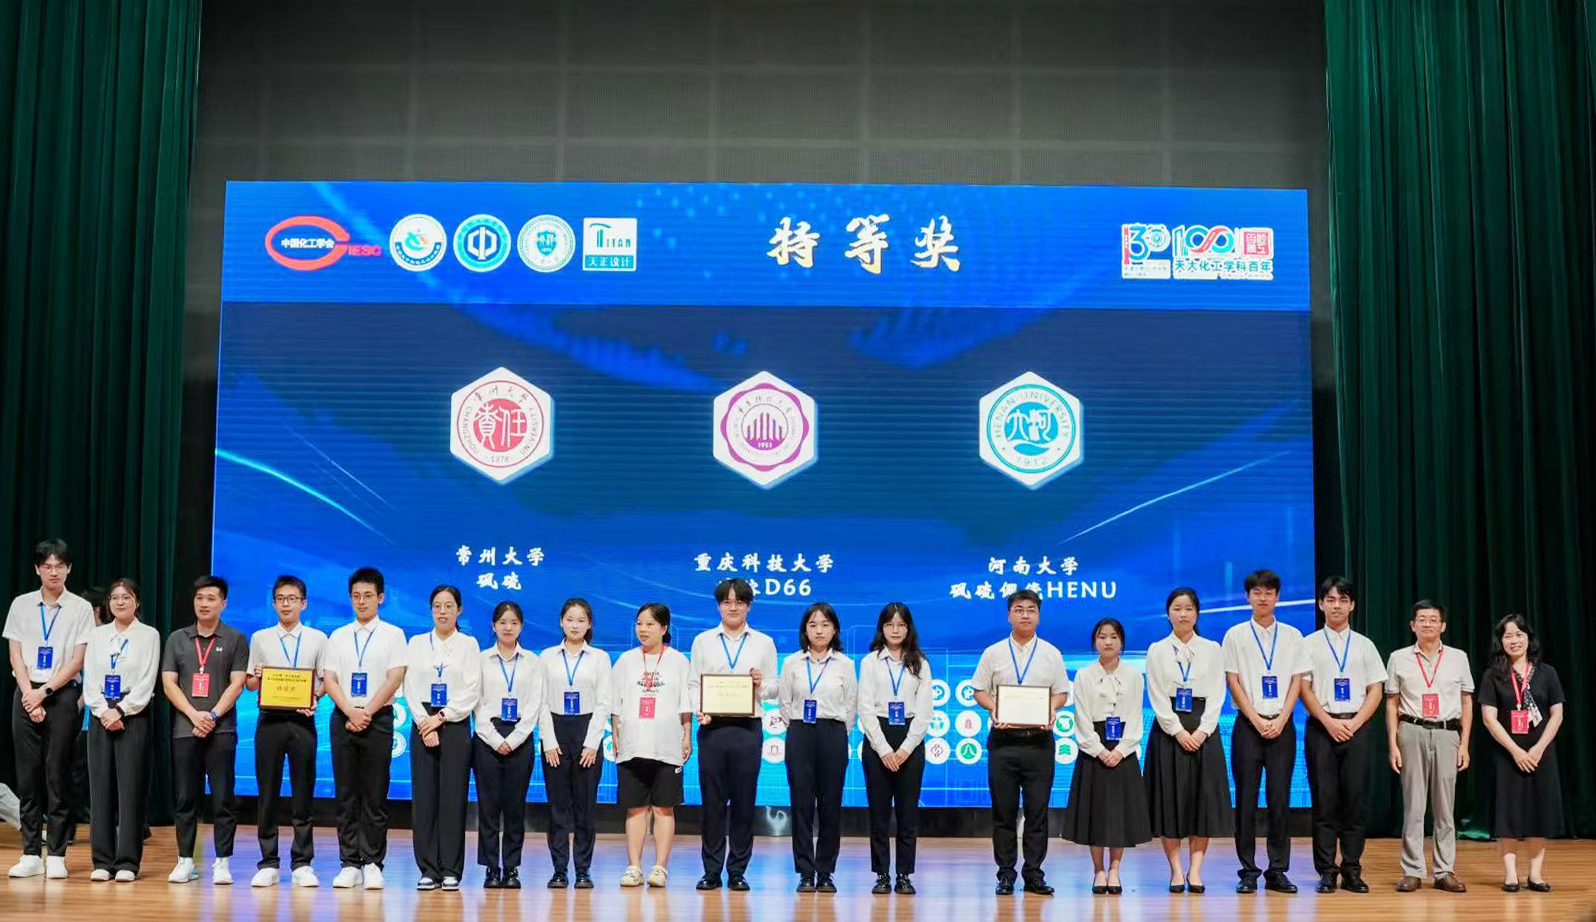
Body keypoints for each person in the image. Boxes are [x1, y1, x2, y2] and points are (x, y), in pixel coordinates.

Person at [6, 539, 95, 879]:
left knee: (57, 774)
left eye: (59, 565)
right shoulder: (21, 604)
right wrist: (29, 694)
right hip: (26, 692)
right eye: (47, 566)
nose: (53, 571)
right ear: (37, 569)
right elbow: (16, 654)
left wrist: (44, 692)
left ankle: (56, 853)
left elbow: (78, 659)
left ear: (68, 569)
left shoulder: (80, 608)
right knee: (27, 776)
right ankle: (30, 852)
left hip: (61, 694)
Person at [972, 589, 1070, 896]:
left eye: (1031, 609)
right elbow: (979, 690)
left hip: (1039, 743)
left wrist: (1051, 709)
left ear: (1038, 615)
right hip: (1004, 742)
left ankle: (1034, 874)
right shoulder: (993, 653)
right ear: (1009, 615)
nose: (1025, 614)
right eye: (1019, 609)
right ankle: (1005, 874)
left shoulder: (1052, 653)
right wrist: (994, 708)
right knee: (1003, 812)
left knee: (1037, 812)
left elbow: (1062, 692)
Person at [687, 577, 779, 891]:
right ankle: (711, 871)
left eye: (739, 601)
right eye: (726, 602)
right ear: (718, 606)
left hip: (747, 729)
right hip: (712, 728)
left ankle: (738, 870)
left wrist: (760, 683)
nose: (733, 607)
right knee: (712, 803)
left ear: (748, 605)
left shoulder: (764, 642)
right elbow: (693, 684)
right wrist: (700, 709)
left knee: (743, 801)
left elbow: (774, 688)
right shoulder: (703, 641)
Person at [321, 566, 408, 890]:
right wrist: (350, 711)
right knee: (346, 793)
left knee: (374, 793)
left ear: (380, 598)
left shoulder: (393, 635)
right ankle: (349, 863)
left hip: (378, 718)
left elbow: (395, 677)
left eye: (368, 595)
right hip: (343, 717)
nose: (361, 601)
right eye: (356, 596)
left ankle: (372, 862)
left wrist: (366, 712)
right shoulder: (338, 635)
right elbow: (330, 678)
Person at [1221, 569, 1308, 894]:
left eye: (1269, 592)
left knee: (1279, 800)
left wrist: (1283, 718)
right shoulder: (1235, 635)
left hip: (1282, 725)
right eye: (1257, 592)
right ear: (1248, 597)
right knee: (1245, 800)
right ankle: (1248, 871)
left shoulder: (1293, 636)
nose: (1263, 598)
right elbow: (1233, 681)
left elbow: (1297, 680)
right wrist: (1255, 718)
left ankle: (1277, 870)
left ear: (1277, 597)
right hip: (1248, 726)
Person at [1298, 576, 1386, 894]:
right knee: (1324, 802)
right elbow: (1303, 689)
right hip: (1321, 728)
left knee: (1355, 802)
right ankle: (1326, 871)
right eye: (1331, 600)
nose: (1337, 605)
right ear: (1321, 604)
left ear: (1352, 605)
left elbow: (1376, 689)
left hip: (1357, 728)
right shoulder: (1307, 644)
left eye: (1343, 600)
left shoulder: (1365, 645)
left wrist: (1355, 722)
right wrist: (1328, 721)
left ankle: (1352, 869)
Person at [161, 575, 250, 885]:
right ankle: (185, 860)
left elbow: (237, 683)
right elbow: (169, 683)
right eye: (199, 598)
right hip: (185, 729)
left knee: (223, 797)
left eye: (211, 598)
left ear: (223, 603)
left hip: (221, 729)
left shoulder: (236, 638)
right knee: (186, 797)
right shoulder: (177, 639)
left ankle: (222, 861)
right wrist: (193, 715)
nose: (204, 604)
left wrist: (211, 715)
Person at [1144, 587, 1231, 894]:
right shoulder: (1157, 649)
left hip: (1203, 730)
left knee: (1201, 804)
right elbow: (1156, 694)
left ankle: (1195, 870)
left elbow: (1218, 692)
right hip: (1169, 732)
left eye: (1189, 609)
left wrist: (1203, 730)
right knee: (1169, 802)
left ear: (1197, 613)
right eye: (1177, 608)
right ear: (1168, 614)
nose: (1183, 614)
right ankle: (1176, 871)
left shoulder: (1212, 648)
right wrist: (1177, 730)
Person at [245, 575, 328, 889]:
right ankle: (268, 862)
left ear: (303, 603)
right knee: (267, 793)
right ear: (273, 603)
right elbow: (251, 683)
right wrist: (257, 676)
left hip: (302, 721)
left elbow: (324, 680)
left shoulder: (318, 638)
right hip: (269, 721)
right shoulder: (261, 638)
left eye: (292, 599)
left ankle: (302, 863)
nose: (286, 604)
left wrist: (315, 698)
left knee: (302, 792)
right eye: (280, 599)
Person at [1385, 599, 1473, 893]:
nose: (1427, 624)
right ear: (1413, 625)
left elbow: (1466, 702)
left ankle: (1444, 871)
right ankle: (1412, 871)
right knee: (1413, 805)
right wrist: (1393, 744)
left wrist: (1464, 744)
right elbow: (1392, 703)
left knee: (1445, 807)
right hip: (1412, 730)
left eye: (1433, 619)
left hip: (1448, 733)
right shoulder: (1398, 657)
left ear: (1443, 626)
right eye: (1421, 619)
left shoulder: (1459, 658)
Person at [1061, 618, 1151, 894]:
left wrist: (1121, 750)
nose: (1108, 642)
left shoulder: (1134, 676)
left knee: (1119, 816)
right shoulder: (1084, 675)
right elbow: (1081, 719)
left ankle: (1115, 870)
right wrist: (1099, 750)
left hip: (1123, 750)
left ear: (1122, 642)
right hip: (1094, 751)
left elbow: (1135, 718)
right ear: (1094, 642)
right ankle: (1099, 870)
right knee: (1096, 814)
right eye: (1102, 637)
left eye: (1113, 637)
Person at [1477, 613, 1563, 893]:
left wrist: (1537, 749)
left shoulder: (1547, 673)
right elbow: (1489, 718)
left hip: (1541, 753)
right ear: (1500, 641)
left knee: (1539, 811)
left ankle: (1535, 875)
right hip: (1507, 754)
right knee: (1508, 813)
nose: (1514, 640)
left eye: (1519, 634)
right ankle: (1511, 875)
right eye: (1508, 635)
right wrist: (1516, 751)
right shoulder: (1493, 674)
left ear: (1528, 638)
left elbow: (1557, 714)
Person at [610, 603, 692, 889]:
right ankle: (634, 867)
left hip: (666, 745)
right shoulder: (626, 660)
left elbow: (685, 703)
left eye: (650, 624)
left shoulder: (679, 661)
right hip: (633, 744)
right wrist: (615, 733)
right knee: (635, 809)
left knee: (663, 808)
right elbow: (615, 702)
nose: (643, 630)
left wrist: (687, 734)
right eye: (639, 624)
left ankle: (660, 867)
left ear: (664, 628)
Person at [81, 579, 159, 881]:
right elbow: (90, 678)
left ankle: (127, 862)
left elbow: (147, 680)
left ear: (137, 601)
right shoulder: (97, 634)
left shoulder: (149, 635)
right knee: (100, 789)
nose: (120, 602)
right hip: (101, 714)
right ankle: (101, 861)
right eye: (114, 597)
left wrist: (122, 710)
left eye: (126, 597)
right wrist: (103, 710)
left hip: (133, 714)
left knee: (131, 790)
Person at [405, 585, 481, 891]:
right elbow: (409, 686)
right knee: (424, 798)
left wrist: (441, 718)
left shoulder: (469, 644)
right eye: (437, 605)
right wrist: (424, 723)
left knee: (452, 798)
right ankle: (428, 868)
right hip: (422, 722)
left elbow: (472, 689)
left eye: (449, 606)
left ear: (459, 610)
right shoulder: (416, 643)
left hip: (454, 724)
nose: (443, 611)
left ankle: (450, 868)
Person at [779, 602, 856, 893]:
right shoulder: (792, 663)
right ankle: (805, 872)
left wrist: (837, 732)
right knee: (801, 805)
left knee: (830, 805)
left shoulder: (846, 665)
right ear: (805, 630)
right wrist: (798, 726)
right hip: (800, 733)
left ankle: (825, 871)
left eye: (825, 625)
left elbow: (851, 706)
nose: (819, 630)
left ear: (835, 629)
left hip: (833, 733)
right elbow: (785, 703)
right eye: (813, 625)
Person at [537, 597, 613, 889]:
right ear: (561, 622)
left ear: (589, 624)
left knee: (585, 807)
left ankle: (583, 870)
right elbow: (540, 701)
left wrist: (592, 743)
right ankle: (559, 870)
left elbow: (604, 703)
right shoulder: (547, 656)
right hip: (555, 732)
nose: (575, 625)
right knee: (557, 808)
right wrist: (548, 741)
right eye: (570, 619)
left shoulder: (600, 658)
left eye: (581, 620)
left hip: (587, 730)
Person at [857, 601, 932, 895]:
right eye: (890, 624)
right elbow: (865, 709)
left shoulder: (920, 662)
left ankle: (904, 875)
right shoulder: (870, 662)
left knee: (907, 814)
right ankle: (881, 875)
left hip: (910, 740)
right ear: (882, 628)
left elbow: (925, 712)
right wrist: (885, 749)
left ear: (909, 628)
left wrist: (904, 749)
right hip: (878, 737)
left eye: (901, 625)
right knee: (878, 813)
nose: (895, 630)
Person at [473, 601, 544, 890]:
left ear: (521, 627)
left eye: (513, 622)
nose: (508, 627)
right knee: (488, 807)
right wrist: (494, 738)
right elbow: (475, 702)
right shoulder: (480, 660)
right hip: (487, 738)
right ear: (493, 626)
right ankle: (491, 868)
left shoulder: (532, 662)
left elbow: (535, 704)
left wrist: (514, 739)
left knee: (515, 808)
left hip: (520, 739)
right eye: (502, 622)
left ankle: (512, 867)